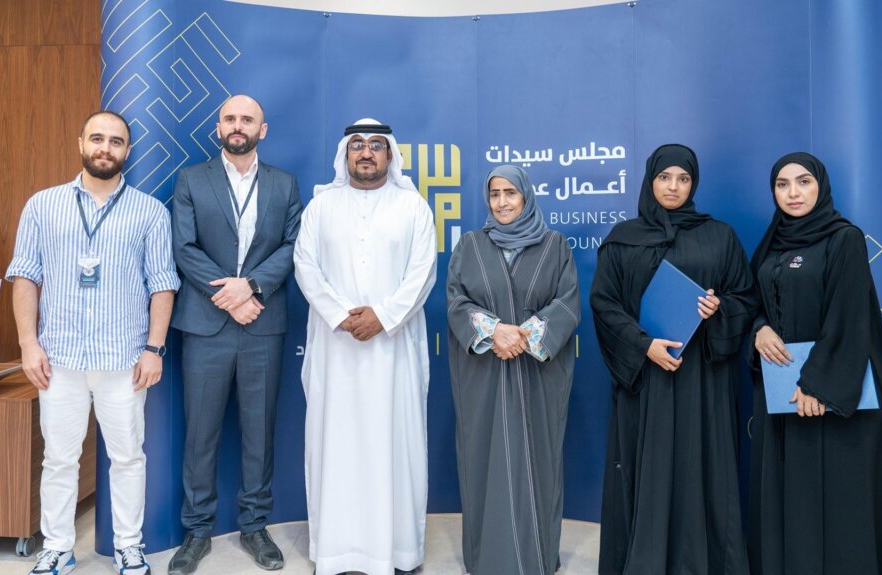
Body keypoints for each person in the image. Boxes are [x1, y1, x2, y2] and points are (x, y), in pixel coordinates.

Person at [7, 111, 179, 575]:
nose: (106, 148)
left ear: (127, 151)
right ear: (81, 142)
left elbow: (162, 284)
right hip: (58, 358)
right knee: (59, 459)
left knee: (127, 457)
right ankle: (57, 547)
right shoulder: (42, 205)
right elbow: (25, 276)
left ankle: (129, 546)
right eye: (97, 138)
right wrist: (28, 343)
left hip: (124, 360)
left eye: (116, 141)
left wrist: (154, 348)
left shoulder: (150, 211)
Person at [590, 144, 755, 575]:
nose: (673, 187)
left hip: (703, 379)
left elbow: (744, 297)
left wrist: (719, 309)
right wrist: (643, 345)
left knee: (703, 469)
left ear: (693, 184)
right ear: (650, 180)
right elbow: (604, 304)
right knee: (649, 470)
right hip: (648, 380)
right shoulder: (623, 238)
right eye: (664, 177)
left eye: (683, 179)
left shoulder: (719, 236)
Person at [748, 152, 882, 575]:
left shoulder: (844, 239)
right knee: (794, 501)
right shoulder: (772, 241)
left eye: (803, 181)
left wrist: (817, 384)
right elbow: (756, 301)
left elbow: (849, 315)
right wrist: (760, 328)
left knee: (840, 505)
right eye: (782, 184)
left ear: (820, 185)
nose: (793, 193)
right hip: (784, 391)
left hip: (833, 392)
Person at [293, 118, 437, 575]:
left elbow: (422, 273)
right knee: (335, 444)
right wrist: (340, 314)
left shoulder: (413, 207)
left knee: (394, 443)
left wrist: (384, 316)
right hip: (335, 349)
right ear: (345, 155)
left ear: (390, 154)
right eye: (357, 145)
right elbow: (305, 266)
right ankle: (337, 552)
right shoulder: (321, 206)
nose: (366, 152)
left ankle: (396, 551)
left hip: (393, 350)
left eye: (376, 145)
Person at [167, 95, 303, 574]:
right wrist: (229, 295)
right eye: (230, 118)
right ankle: (197, 531)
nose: (237, 125)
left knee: (258, 431)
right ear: (218, 127)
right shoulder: (191, 180)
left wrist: (253, 286)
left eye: (247, 119)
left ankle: (254, 526)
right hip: (206, 325)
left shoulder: (284, 184)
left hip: (263, 322)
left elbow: (292, 245)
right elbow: (184, 247)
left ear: (262, 130)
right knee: (200, 433)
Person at [446, 165, 579, 575]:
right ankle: (485, 558)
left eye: (510, 193)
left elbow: (567, 301)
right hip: (484, 376)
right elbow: (456, 301)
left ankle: (538, 557)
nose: (502, 202)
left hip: (537, 377)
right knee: (482, 459)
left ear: (526, 197)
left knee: (539, 461)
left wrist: (523, 335)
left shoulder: (555, 246)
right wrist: (493, 331)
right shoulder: (470, 245)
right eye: (495, 194)